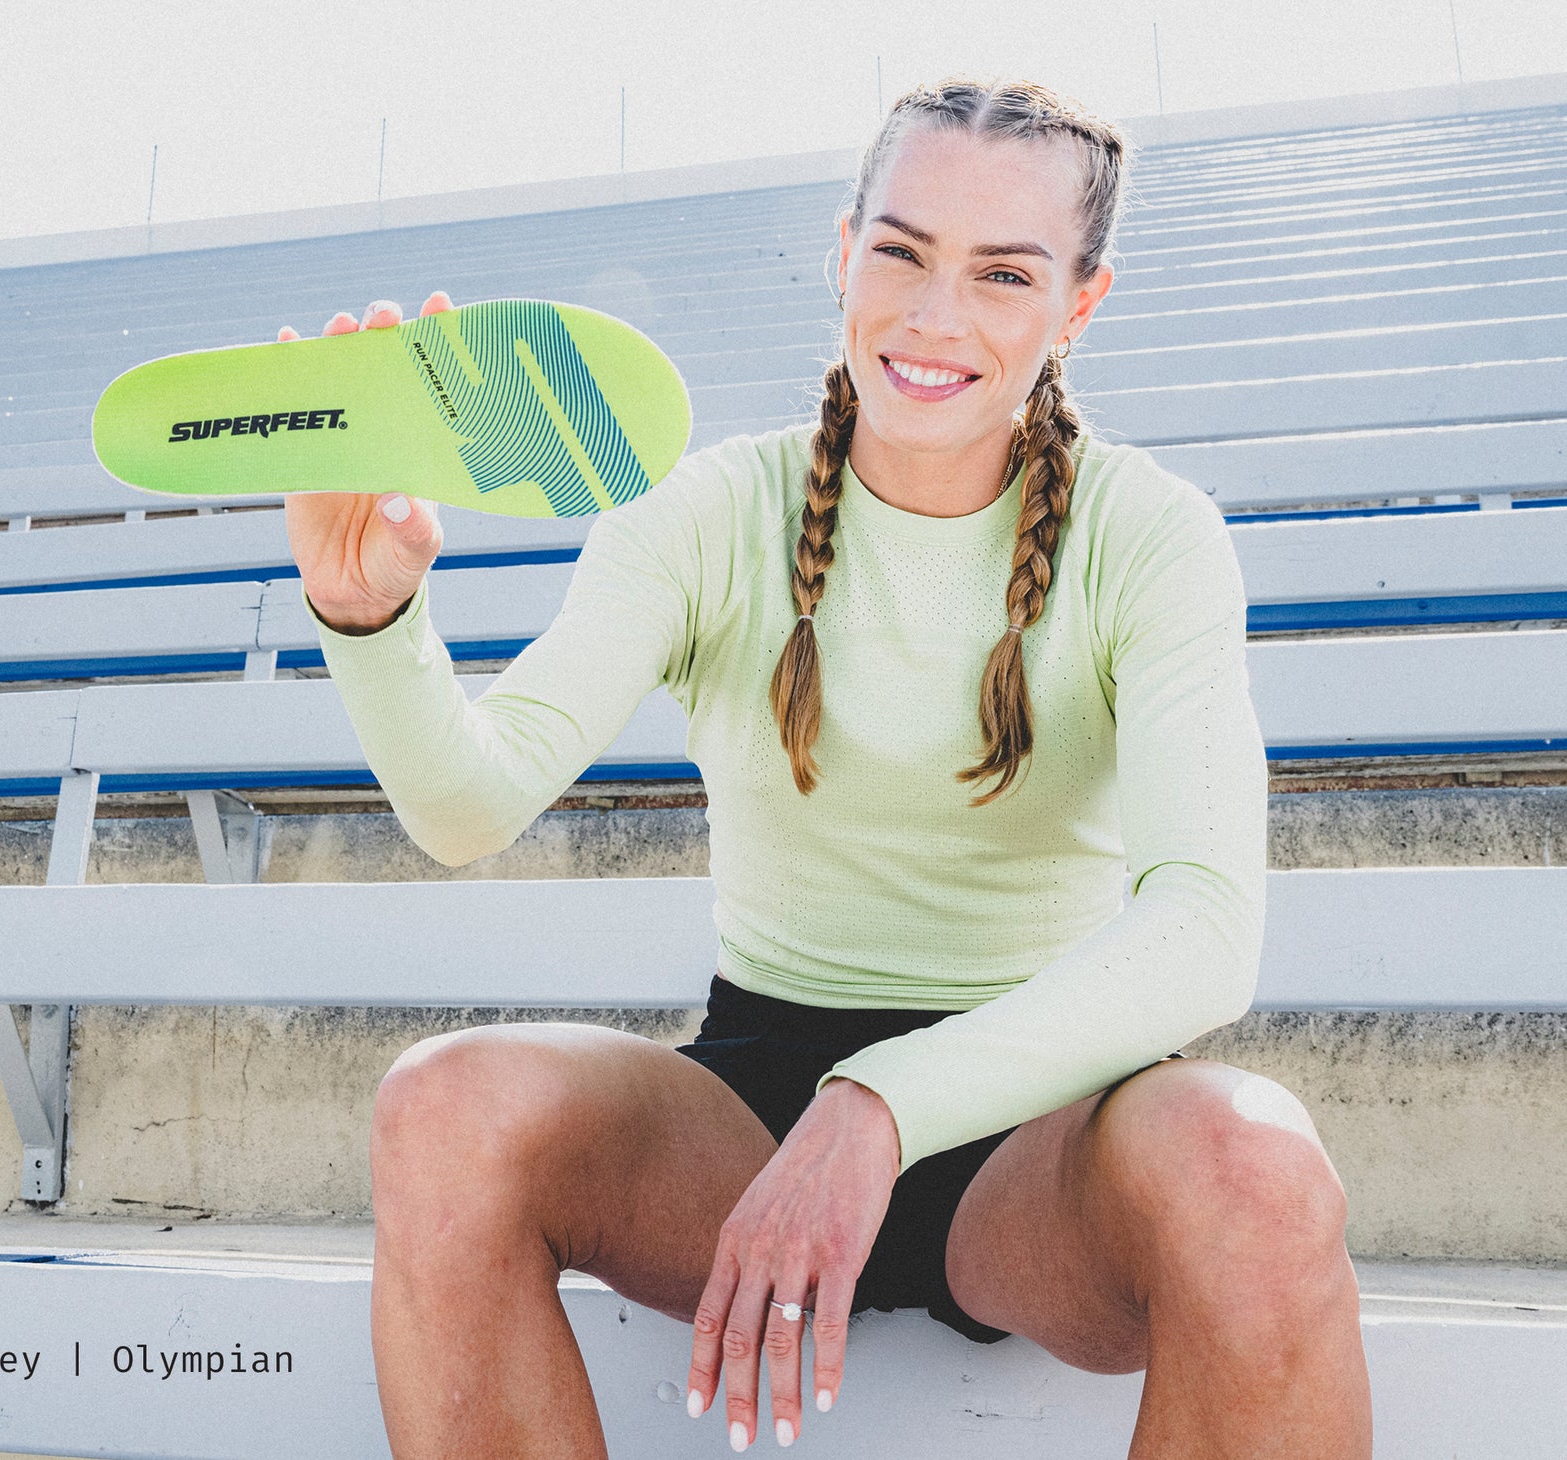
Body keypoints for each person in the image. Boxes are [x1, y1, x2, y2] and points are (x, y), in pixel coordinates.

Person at [281, 76, 1371, 1459]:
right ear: (841, 248)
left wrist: (881, 1108)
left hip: (1040, 1137)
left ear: (1077, 306)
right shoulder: (705, 514)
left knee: (1255, 1162)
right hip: (748, 1109)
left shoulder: (1147, 535)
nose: (932, 315)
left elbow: (1205, 936)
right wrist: (371, 621)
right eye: (900, 251)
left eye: (1001, 274)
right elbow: (467, 805)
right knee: (440, 1107)